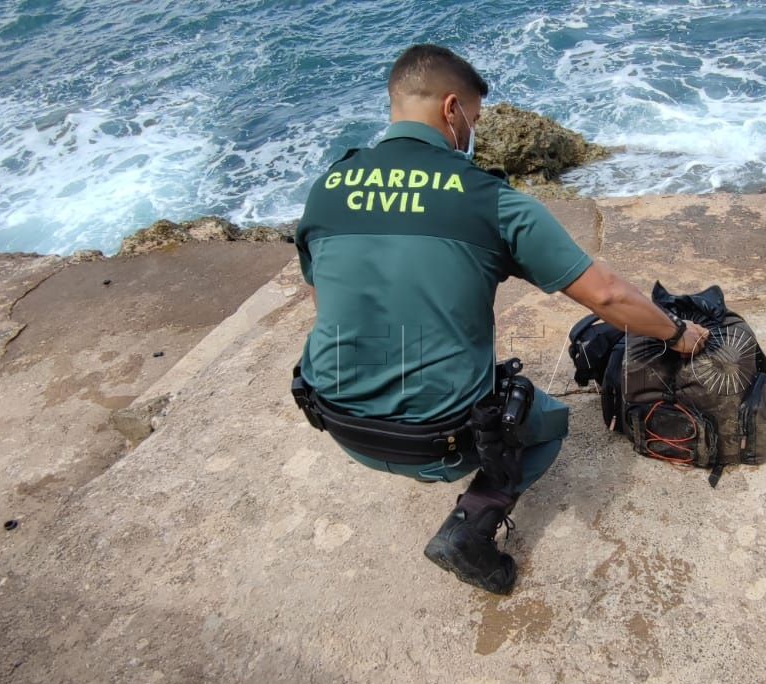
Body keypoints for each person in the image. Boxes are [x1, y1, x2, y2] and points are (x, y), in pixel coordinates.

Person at [292, 44, 708, 595]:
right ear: (451, 109)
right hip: (434, 441)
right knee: (546, 421)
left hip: (339, 423)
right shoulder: (489, 199)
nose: (473, 130)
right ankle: (470, 527)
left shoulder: (327, 188)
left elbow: (326, 297)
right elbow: (606, 296)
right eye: (474, 117)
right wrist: (678, 333)